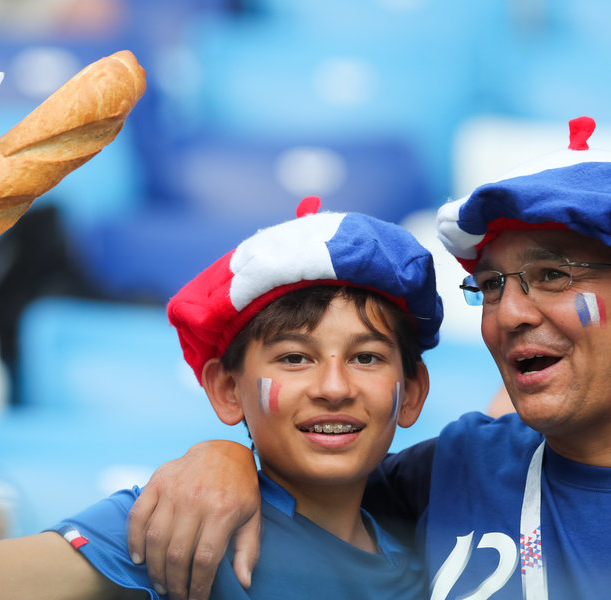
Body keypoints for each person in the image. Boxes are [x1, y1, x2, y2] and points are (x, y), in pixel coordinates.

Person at [0, 195, 443, 598]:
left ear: (411, 392)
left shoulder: (442, 540)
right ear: (226, 390)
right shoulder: (166, 527)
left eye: (365, 358)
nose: (333, 386)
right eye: (294, 358)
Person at [125, 116, 611, 600]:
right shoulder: (461, 468)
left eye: (552, 275)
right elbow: (313, 481)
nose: (509, 313)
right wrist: (222, 458)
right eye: (490, 285)